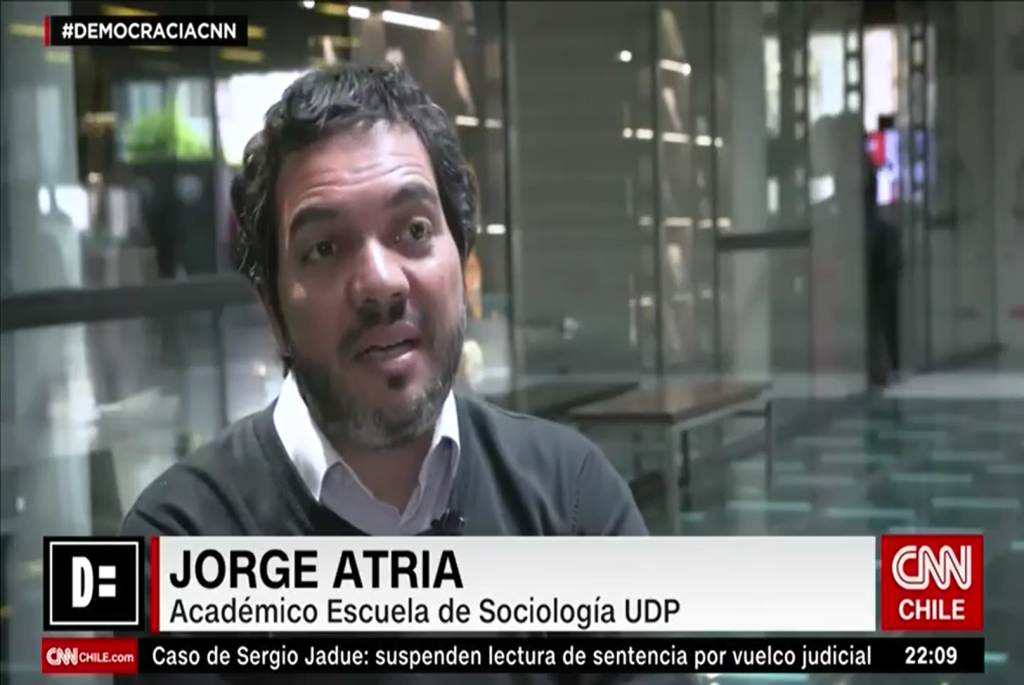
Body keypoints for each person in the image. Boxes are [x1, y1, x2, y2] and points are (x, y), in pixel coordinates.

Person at [121, 64, 669, 683]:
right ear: (272, 308)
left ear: (463, 265)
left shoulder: (569, 499)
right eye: (324, 248)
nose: (381, 283)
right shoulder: (175, 547)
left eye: (413, 230)